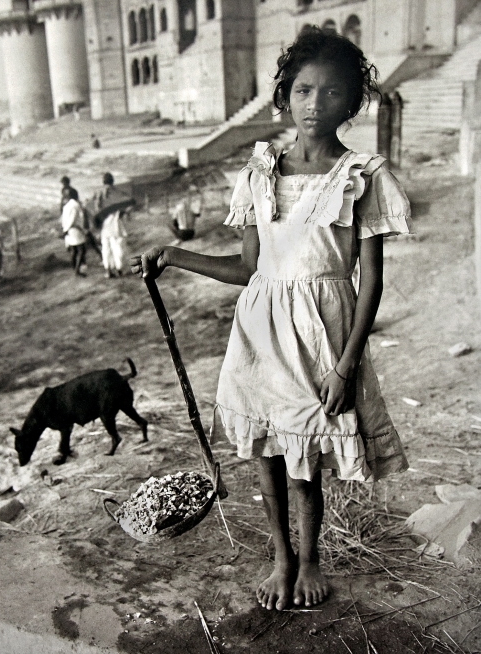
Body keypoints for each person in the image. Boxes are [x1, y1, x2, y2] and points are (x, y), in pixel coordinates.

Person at [132, 28, 411, 611]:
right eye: (304, 91)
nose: (315, 105)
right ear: (284, 95)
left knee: (305, 459)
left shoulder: (362, 176)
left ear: (352, 103)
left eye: (332, 94)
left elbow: (371, 283)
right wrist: (175, 255)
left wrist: (346, 363)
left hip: (320, 338)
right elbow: (249, 268)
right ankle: (280, 559)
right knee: (267, 452)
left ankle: (309, 561)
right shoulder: (260, 171)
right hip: (259, 334)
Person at [96, 172, 129, 278]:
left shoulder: (100, 193)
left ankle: (108, 270)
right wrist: (122, 213)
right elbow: (128, 205)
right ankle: (119, 269)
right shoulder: (117, 192)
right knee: (118, 247)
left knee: (106, 248)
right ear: (112, 181)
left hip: (105, 223)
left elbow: (97, 208)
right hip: (115, 222)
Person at [61, 187, 87, 276]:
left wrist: (65, 230)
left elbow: (64, 220)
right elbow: (73, 219)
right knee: (81, 250)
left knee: (74, 250)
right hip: (75, 229)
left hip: (68, 230)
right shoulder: (76, 205)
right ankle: (77, 270)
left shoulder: (66, 206)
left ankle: (74, 268)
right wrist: (81, 229)